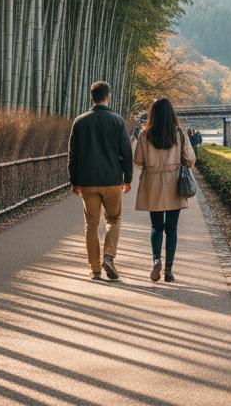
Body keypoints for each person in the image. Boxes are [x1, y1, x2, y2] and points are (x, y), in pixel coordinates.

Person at [68, 81, 133, 281]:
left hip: (88, 181)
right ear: (109, 97)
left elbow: (73, 154)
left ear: (91, 97)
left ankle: (95, 269)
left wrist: (74, 181)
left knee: (91, 224)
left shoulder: (80, 121)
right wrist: (127, 178)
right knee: (113, 219)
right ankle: (108, 257)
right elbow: (126, 152)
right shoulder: (117, 120)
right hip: (112, 179)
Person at [133, 97, 197, 283]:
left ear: (152, 113)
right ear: (171, 113)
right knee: (172, 228)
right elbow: (190, 160)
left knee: (156, 226)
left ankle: (156, 259)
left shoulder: (145, 135)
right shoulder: (179, 133)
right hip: (173, 183)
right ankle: (168, 269)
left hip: (152, 183)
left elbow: (138, 161)